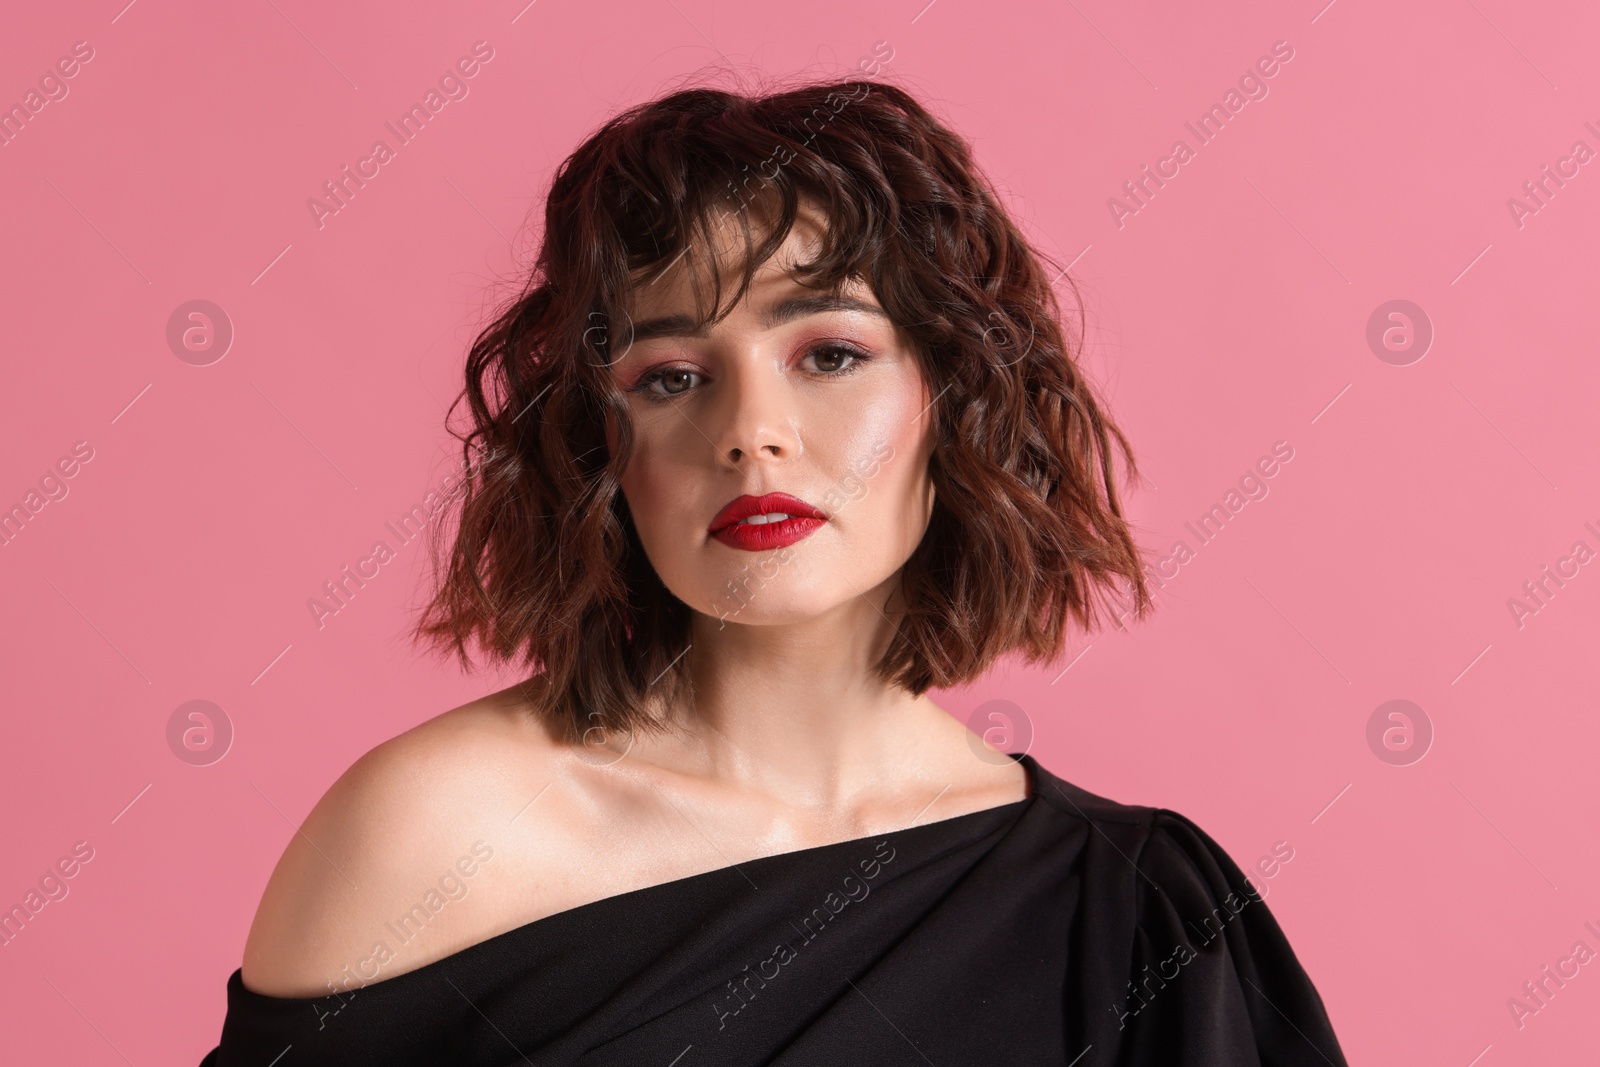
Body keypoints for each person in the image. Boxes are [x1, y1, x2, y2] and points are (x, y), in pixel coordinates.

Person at [199, 75, 1349, 1065]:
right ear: (603, 448)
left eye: (831, 353)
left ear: (955, 402)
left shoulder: (1146, 915)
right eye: (670, 375)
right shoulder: (434, 834)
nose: (752, 431)